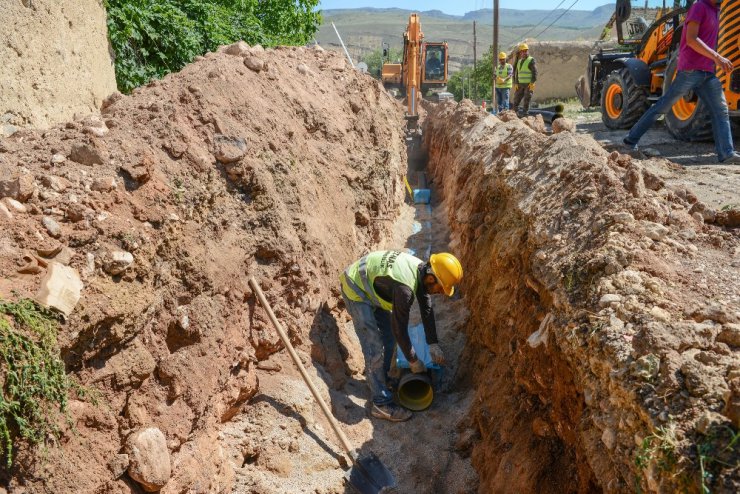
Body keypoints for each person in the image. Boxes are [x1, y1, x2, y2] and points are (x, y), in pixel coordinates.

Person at [339, 250, 463, 422]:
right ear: (431, 278)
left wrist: (433, 343)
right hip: (357, 288)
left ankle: (382, 378)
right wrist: (413, 361)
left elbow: (426, 309)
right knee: (374, 348)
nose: (440, 292)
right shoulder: (405, 289)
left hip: (373, 283)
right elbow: (400, 330)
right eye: (441, 288)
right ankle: (380, 404)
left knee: (388, 338)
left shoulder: (420, 269)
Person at [623, 0, 740, 164]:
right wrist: (717, 57)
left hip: (707, 72)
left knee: (721, 111)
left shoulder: (716, 10)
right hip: (690, 71)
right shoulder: (699, 7)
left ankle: (727, 154)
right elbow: (691, 39)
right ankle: (630, 140)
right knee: (661, 108)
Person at [511, 43, 537, 117]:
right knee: (516, 99)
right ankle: (515, 114)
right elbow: (517, 73)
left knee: (526, 100)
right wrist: (516, 83)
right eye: (523, 51)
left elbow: (535, 72)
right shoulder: (519, 61)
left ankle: (525, 115)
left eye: (526, 51)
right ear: (520, 52)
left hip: (528, 84)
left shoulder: (531, 60)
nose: (524, 52)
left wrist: (532, 82)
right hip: (520, 84)